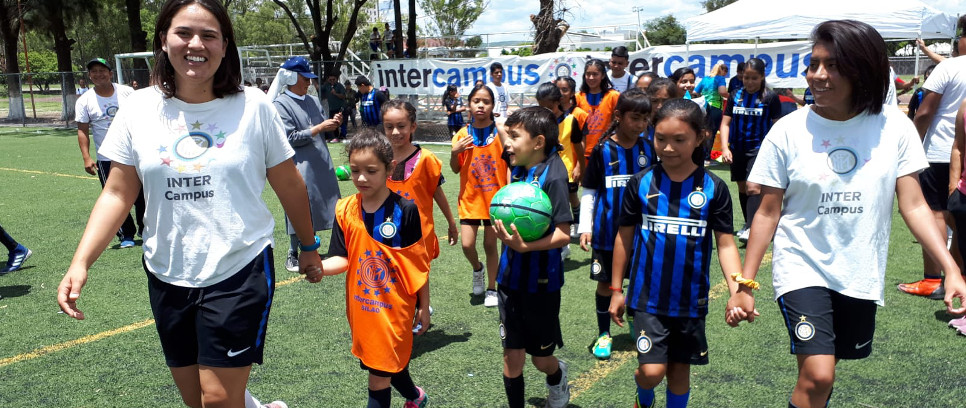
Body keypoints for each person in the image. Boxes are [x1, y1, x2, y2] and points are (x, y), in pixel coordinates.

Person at [56, 2, 320, 407]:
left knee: (216, 399)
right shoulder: (138, 108)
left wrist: (308, 246)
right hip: (167, 270)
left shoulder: (254, 106)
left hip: (239, 266)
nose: (196, 44)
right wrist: (80, 262)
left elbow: (289, 183)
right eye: (184, 33)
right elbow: (118, 192)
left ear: (224, 45)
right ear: (164, 40)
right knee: (195, 399)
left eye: (209, 35)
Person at [727, 20, 966, 408]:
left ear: (863, 69)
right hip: (801, 266)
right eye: (814, 63)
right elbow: (768, 213)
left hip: (859, 271)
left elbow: (915, 204)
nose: (818, 75)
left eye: (833, 65)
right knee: (819, 373)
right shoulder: (787, 131)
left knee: (826, 371)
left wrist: (950, 269)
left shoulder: (895, 128)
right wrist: (745, 284)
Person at [610, 97, 741, 408]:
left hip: (689, 300)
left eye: (679, 140)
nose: (668, 148)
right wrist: (617, 288)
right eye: (660, 139)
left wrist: (737, 290)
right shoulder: (641, 183)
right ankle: (644, 397)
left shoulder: (713, 188)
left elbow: (725, 243)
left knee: (680, 369)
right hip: (647, 298)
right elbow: (623, 237)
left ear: (701, 137)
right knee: (652, 371)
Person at [305, 130, 430, 408]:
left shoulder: (405, 210)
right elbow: (342, 257)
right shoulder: (345, 209)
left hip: (395, 309)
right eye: (355, 170)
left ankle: (412, 396)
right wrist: (320, 268)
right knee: (383, 363)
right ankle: (415, 396)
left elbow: (417, 264)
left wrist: (424, 305)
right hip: (362, 307)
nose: (361, 178)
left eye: (371, 171)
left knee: (378, 377)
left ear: (390, 168)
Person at [494, 107, 573, 408]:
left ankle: (557, 376)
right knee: (511, 355)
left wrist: (526, 247)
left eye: (515, 137)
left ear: (538, 142)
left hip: (541, 282)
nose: (507, 143)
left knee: (541, 359)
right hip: (509, 278)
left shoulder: (554, 175)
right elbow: (504, 131)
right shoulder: (519, 164)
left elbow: (564, 234)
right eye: (508, 136)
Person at [578, 88, 656, 360]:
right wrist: (585, 227)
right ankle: (604, 333)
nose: (641, 124)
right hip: (607, 233)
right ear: (620, 116)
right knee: (605, 284)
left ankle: (637, 326)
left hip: (641, 233)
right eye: (635, 118)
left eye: (645, 119)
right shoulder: (602, 149)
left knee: (637, 282)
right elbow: (589, 190)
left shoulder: (649, 148)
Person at [903, 28, 966, 299]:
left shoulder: (950, 67)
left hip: (942, 151)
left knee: (936, 213)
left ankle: (934, 279)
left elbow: (925, 111)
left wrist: (911, 145)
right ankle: (959, 275)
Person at [269, 56, 343, 273]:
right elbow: (289, 137)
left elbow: (318, 124)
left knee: (331, 201)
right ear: (291, 77)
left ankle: (334, 248)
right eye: (304, 78)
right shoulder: (280, 104)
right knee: (299, 205)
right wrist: (319, 128)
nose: (308, 83)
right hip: (300, 163)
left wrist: (332, 124)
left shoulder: (311, 100)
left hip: (321, 159)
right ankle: (293, 254)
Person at [74, 57, 142, 249]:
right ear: (89, 76)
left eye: (102, 70)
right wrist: (86, 157)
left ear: (110, 73)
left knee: (144, 195)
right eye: (93, 71)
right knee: (115, 197)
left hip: (135, 153)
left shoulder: (127, 92)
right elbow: (82, 130)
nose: (98, 74)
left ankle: (146, 230)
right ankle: (126, 235)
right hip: (107, 157)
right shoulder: (85, 100)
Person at [450, 85, 508, 307]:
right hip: (470, 199)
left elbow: (510, 162)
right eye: (476, 101)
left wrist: (508, 187)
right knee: (467, 245)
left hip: (495, 201)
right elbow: (455, 169)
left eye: (486, 101)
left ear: (493, 106)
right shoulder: (463, 135)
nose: (481, 105)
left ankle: (492, 289)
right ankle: (477, 269)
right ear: (469, 105)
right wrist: (455, 153)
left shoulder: (501, 131)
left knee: (491, 246)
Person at [383, 99, 458, 264]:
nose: (395, 132)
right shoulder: (379, 158)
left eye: (401, 126)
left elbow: (437, 193)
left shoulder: (426, 159)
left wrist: (451, 224)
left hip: (419, 236)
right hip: (386, 235)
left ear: (413, 126)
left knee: (419, 284)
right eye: (389, 126)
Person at [719, 58, 782, 243]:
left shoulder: (770, 97)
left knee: (753, 187)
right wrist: (724, 147)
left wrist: (773, 150)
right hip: (737, 149)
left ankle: (752, 228)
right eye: (746, 77)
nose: (749, 82)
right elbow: (725, 123)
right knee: (742, 188)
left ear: (762, 77)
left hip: (759, 149)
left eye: (754, 78)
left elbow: (777, 126)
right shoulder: (735, 95)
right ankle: (750, 223)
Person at [535, 82, 583, 258]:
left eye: (548, 107)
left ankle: (565, 242)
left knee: (564, 205)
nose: (545, 111)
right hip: (544, 172)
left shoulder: (571, 121)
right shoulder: (539, 121)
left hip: (565, 171)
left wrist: (580, 167)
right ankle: (557, 242)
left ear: (558, 101)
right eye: (541, 107)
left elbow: (578, 148)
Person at [576, 59, 620, 158]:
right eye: (588, 74)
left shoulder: (613, 96)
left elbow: (619, 123)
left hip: (606, 152)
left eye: (595, 74)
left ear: (603, 75)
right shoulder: (578, 97)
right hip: (583, 154)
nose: (591, 78)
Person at [694, 62, 729, 147]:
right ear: (722, 71)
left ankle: (701, 152)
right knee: (711, 132)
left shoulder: (705, 79)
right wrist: (731, 96)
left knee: (702, 129)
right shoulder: (720, 79)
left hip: (704, 107)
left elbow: (695, 92)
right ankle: (707, 156)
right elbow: (722, 92)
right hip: (715, 107)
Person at [320, 72, 348, 142]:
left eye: (333, 79)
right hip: (331, 108)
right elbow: (319, 88)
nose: (332, 81)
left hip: (340, 107)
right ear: (328, 80)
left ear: (336, 79)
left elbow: (343, 96)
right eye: (330, 80)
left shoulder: (339, 86)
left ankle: (343, 136)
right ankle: (335, 137)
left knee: (342, 122)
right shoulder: (326, 85)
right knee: (333, 122)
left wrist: (335, 94)